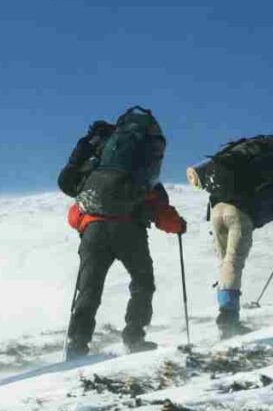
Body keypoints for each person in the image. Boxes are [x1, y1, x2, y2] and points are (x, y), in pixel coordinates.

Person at [59, 108, 187, 360]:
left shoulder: (94, 170)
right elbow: (160, 211)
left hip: (94, 230)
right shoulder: (142, 178)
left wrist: (86, 224)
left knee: (89, 289)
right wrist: (179, 226)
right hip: (129, 231)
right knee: (142, 283)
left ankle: (77, 344)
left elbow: (74, 209)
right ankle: (134, 337)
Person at [187, 136, 273, 336]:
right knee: (233, 262)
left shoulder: (264, 160)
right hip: (239, 214)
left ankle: (227, 313)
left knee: (226, 264)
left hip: (217, 209)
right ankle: (228, 320)